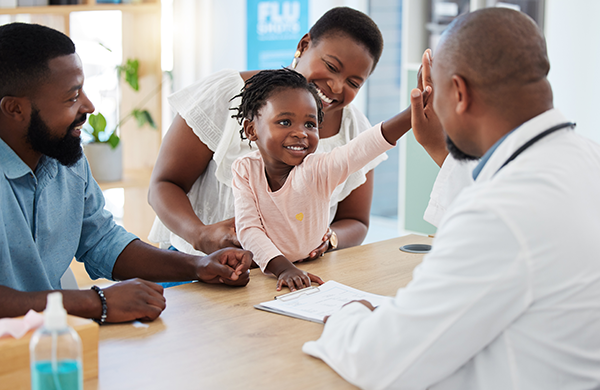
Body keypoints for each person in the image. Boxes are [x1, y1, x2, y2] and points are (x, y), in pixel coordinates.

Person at [303, 8, 600, 389]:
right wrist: (442, 148)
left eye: (437, 91)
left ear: (459, 93)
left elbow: (382, 360)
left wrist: (349, 317)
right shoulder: (585, 159)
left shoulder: (501, 212)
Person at [0, 23, 253, 324]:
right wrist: (97, 302)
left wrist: (198, 266)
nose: (89, 106)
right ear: (14, 109)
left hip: (48, 342)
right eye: (71, 98)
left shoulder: (63, 158)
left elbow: (102, 242)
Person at [147, 7, 412, 259]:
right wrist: (201, 235)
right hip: (197, 268)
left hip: (292, 279)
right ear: (303, 45)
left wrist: (328, 239)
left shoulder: (354, 128)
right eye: (331, 67)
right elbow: (164, 184)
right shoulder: (228, 94)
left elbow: (355, 221)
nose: (336, 86)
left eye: (354, 83)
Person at [231, 69, 416, 291]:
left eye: (310, 125)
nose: (300, 133)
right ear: (252, 130)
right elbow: (248, 229)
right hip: (267, 273)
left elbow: (361, 149)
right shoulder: (244, 169)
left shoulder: (317, 169)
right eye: (285, 122)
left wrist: (411, 113)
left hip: (318, 269)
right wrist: (284, 268)